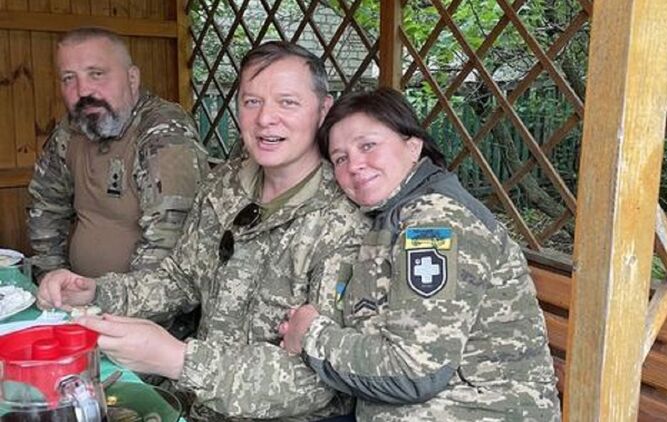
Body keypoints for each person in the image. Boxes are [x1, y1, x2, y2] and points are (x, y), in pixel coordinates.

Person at [37, 41, 369, 422]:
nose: (265, 119)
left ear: (323, 109)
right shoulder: (224, 185)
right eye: (252, 102)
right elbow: (180, 278)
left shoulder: (345, 218)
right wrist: (96, 292)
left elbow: (322, 379)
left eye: (287, 102)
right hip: (201, 408)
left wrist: (176, 358)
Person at [279, 87, 561, 421]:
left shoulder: (436, 223)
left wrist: (311, 335)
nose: (354, 165)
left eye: (367, 145)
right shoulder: (391, 217)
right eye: (340, 158)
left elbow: (414, 371)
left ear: (413, 146)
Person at [27, 27, 209, 280]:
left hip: (145, 300)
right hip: (79, 294)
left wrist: (103, 298)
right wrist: (52, 276)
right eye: (69, 78)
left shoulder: (164, 131)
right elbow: (46, 206)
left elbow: (166, 248)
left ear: (132, 78)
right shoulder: (72, 129)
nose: (83, 91)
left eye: (96, 74)